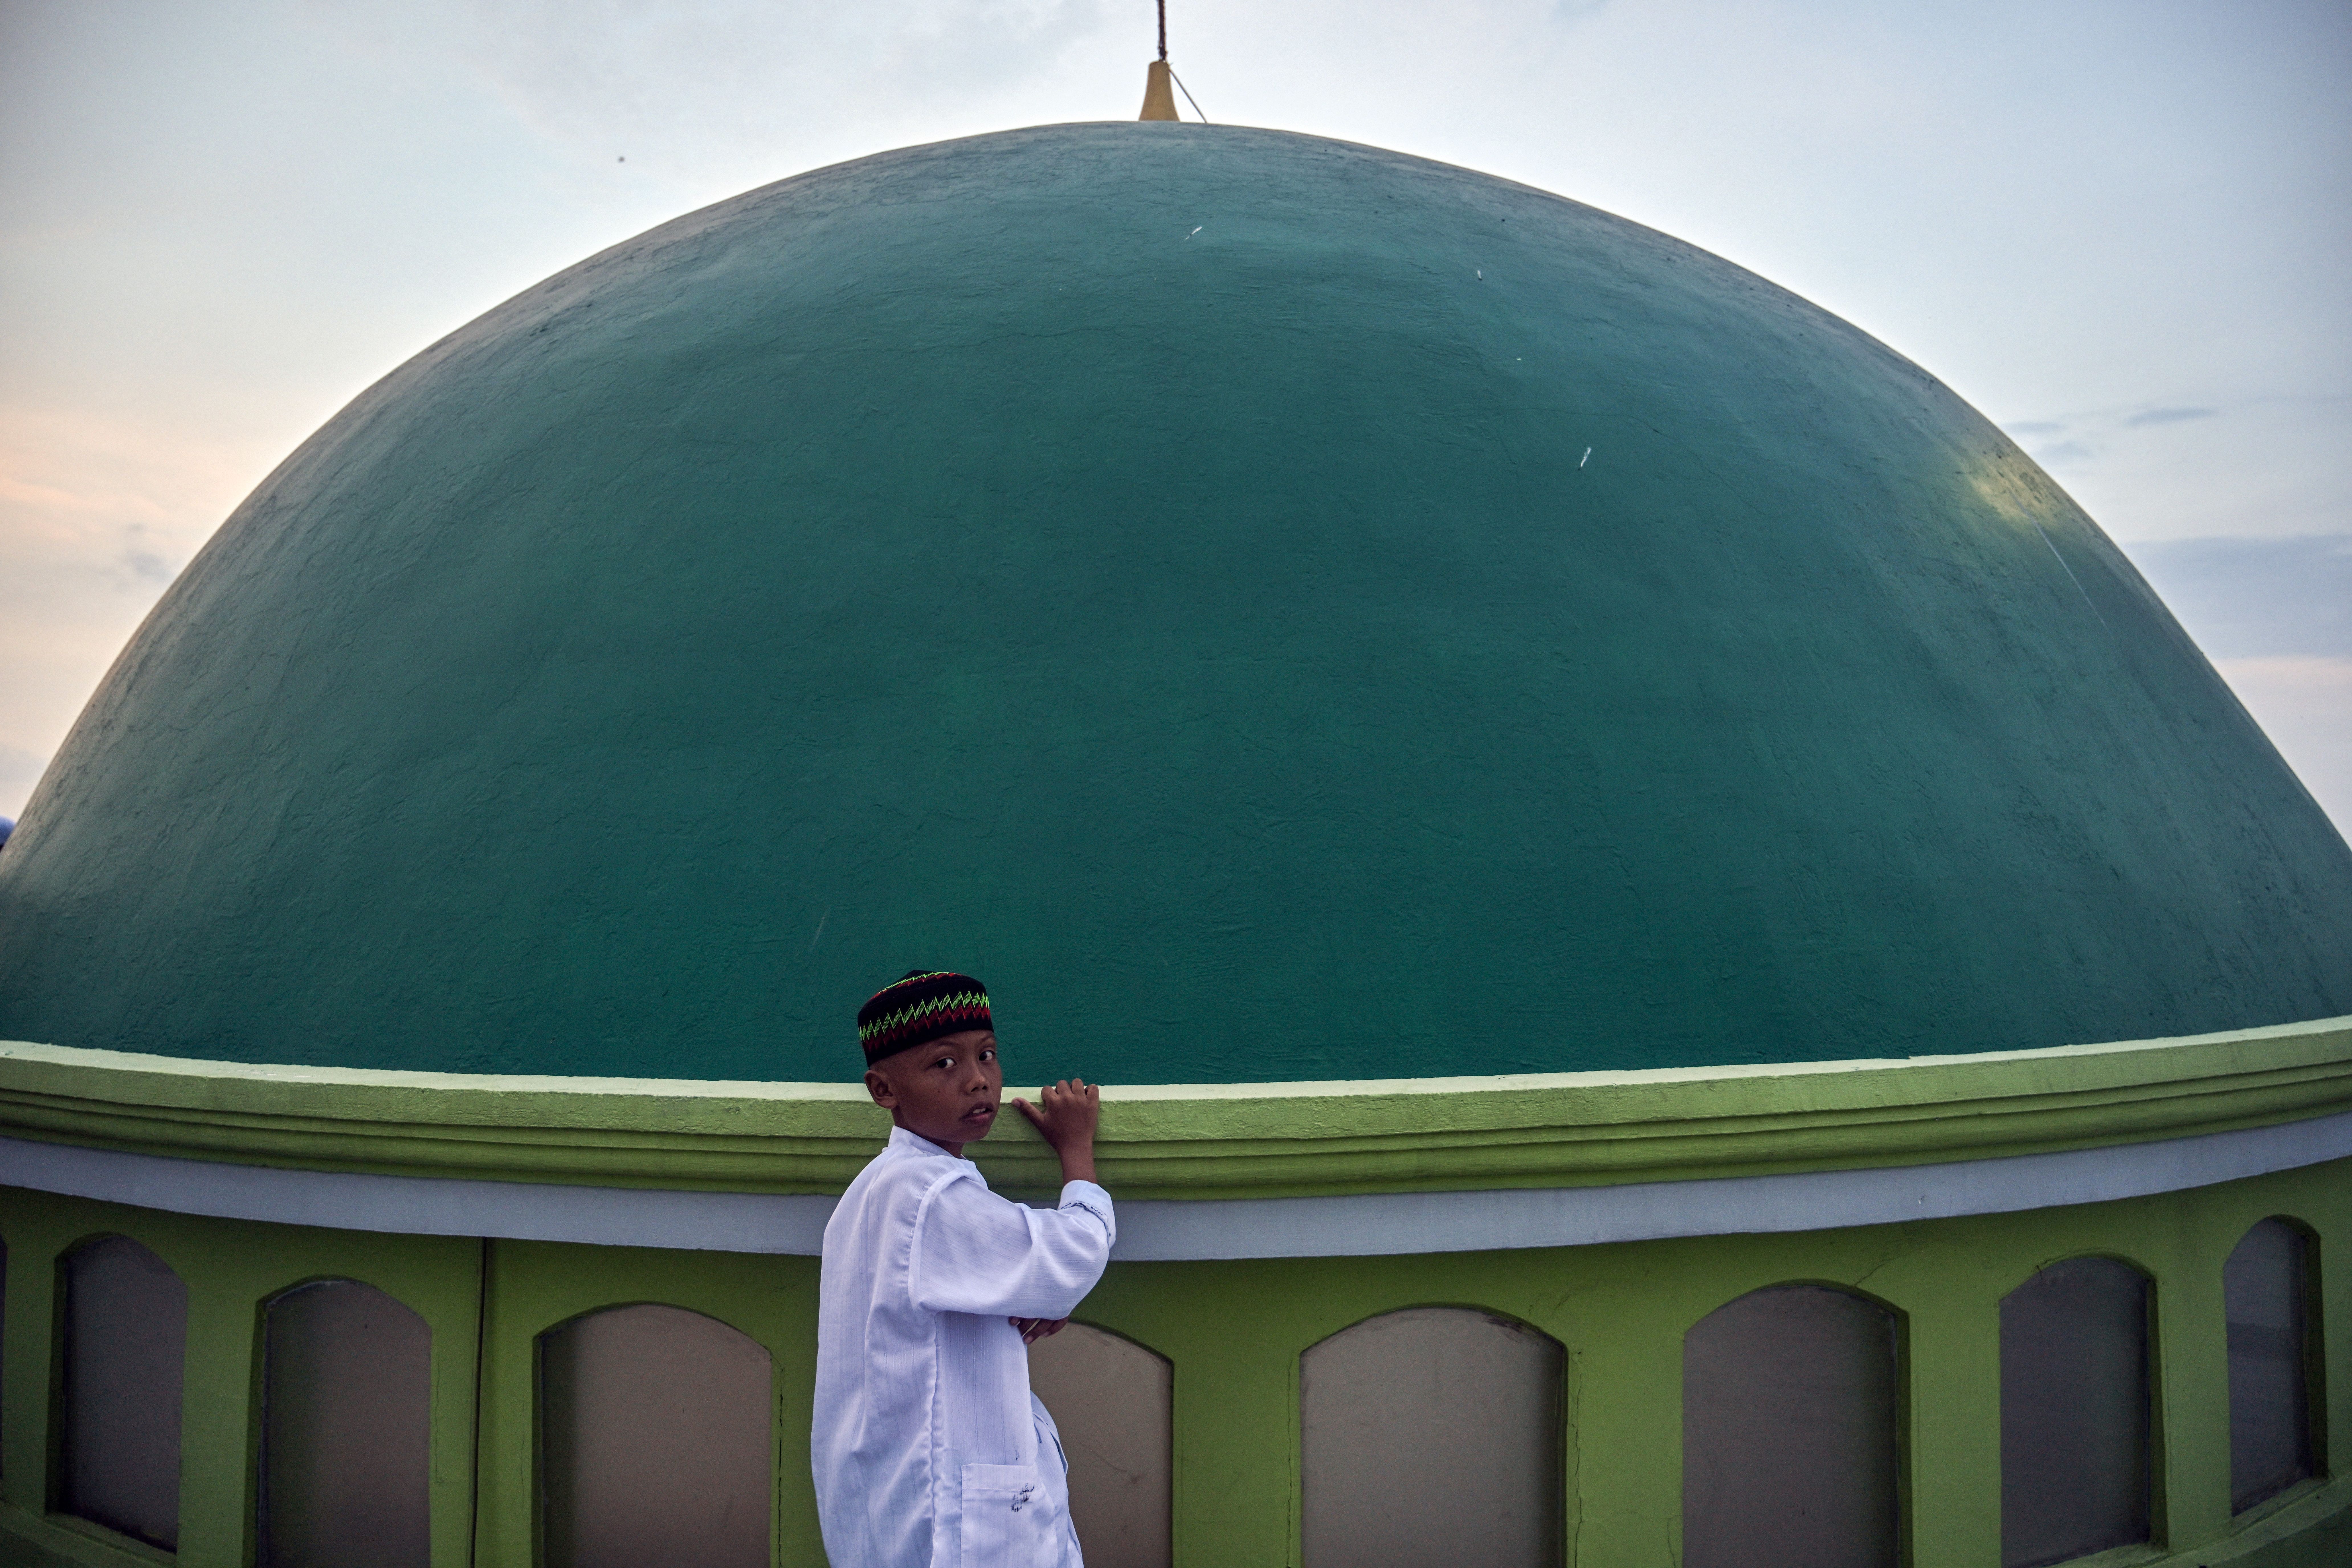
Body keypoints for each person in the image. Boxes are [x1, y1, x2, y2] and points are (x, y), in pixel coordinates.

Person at [812, 969, 1112, 1568]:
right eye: (944, 1064)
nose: (979, 1079)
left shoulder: (880, 1189)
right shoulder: (931, 1197)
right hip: (950, 1526)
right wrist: (1077, 1150)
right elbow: (1073, 1254)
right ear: (883, 1090)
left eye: (988, 1055)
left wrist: (1033, 1292)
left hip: (897, 1507)